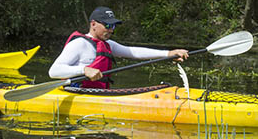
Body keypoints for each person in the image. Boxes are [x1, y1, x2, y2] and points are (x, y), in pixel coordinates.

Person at [49, 6, 188, 88]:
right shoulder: (79, 44)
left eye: (113, 26)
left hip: (99, 94)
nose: (111, 30)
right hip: (77, 94)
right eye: (107, 25)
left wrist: (169, 54)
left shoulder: (107, 45)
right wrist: (84, 70)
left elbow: (133, 52)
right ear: (93, 24)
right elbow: (54, 71)